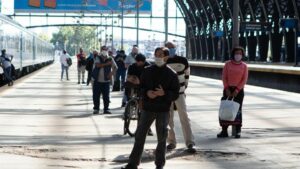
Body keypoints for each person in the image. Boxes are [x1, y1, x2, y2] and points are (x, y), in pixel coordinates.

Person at [121, 47, 180, 169]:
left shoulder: (172, 74)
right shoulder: (147, 71)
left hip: (163, 109)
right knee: (140, 135)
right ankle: (133, 163)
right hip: (148, 108)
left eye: (161, 55)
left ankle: (159, 164)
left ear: (166, 57)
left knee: (162, 138)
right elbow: (140, 88)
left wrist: (164, 93)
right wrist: (147, 93)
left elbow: (175, 94)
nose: (158, 57)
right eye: (156, 54)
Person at [164, 42, 196, 153]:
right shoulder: (164, 61)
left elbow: (187, 74)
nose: (171, 49)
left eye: (172, 47)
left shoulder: (183, 60)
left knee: (184, 117)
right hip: (167, 95)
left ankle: (190, 142)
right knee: (168, 119)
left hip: (180, 93)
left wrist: (184, 86)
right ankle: (171, 142)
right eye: (168, 48)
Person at [217, 46, 248, 138]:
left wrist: (237, 90)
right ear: (233, 54)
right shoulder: (227, 64)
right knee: (225, 108)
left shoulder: (244, 66)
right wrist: (226, 88)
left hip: (239, 91)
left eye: (240, 53)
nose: (238, 55)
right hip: (227, 89)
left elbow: (244, 79)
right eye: (236, 53)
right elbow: (224, 77)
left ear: (242, 55)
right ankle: (224, 130)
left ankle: (238, 130)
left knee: (237, 110)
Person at [125, 53, 153, 136]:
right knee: (128, 90)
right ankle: (130, 105)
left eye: (141, 62)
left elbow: (151, 79)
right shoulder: (132, 66)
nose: (139, 64)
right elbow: (129, 76)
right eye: (138, 62)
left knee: (146, 108)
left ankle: (148, 128)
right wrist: (134, 79)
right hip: (134, 84)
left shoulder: (149, 66)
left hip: (145, 86)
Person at [92, 46, 117, 115]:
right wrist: (107, 64)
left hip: (106, 81)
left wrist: (111, 74)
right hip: (97, 80)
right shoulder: (98, 57)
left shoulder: (110, 58)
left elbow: (115, 67)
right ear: (101, 50)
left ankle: (106, 109)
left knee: (106, 96)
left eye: (105, 50)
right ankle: (96, 109)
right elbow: (97, 65)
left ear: (107, 50)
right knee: (96, 96)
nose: (104, 51)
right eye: (103, 50)